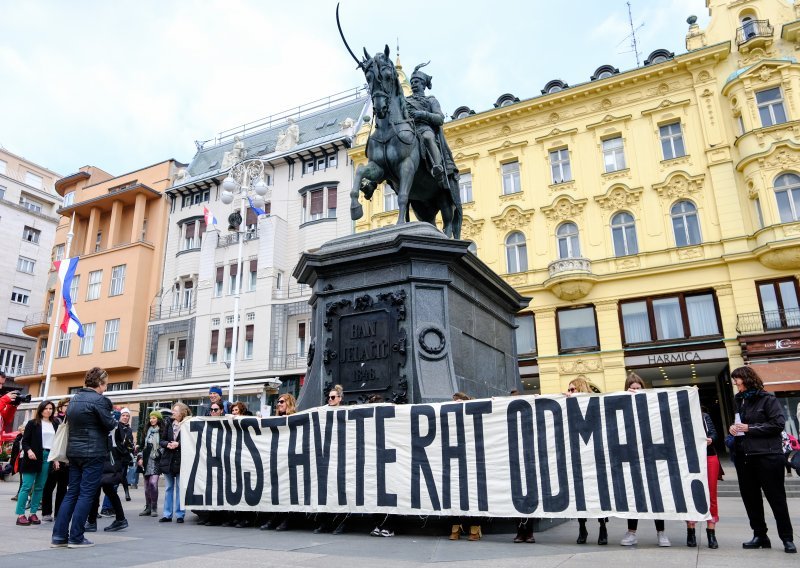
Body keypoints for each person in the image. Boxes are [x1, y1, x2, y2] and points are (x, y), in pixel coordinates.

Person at [729, 366, 796, 554]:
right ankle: (760, 535)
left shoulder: (768, 399)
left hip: (768, 457)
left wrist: (750, 428)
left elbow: (777, 424)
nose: (735, 383)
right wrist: (734, 428)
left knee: (777, 500)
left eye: (737, 379)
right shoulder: (738, 400)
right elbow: (739, 423)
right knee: (751, 500)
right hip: (744, 457)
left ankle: (787, 538)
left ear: (747, 379)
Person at [51, 367, 117, 548]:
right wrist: (114, 417)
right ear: (101, 383)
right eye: (106, 384)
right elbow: (110, 424)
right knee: (86, 494)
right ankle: (76, 537)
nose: (106, 387)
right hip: (93, 452)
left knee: (72, 492)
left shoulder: (75, 400)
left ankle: (58, 536)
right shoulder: (100, 400)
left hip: (74, 452)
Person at [618, 372, 671, 547]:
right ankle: (631, 532)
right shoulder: (621, 406)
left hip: (651, 457)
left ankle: (661, 533)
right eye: (631, 389)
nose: (635, 392)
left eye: (638, 389)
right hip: (631, 457)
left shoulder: (652, 404)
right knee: (633, 495)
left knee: (656, 496)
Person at [566, 377, 608, 546]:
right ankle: (582, 527)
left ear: (580, 389)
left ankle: (602, 526)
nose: (569, 393)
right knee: (580, 494)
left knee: (598, 493)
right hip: (577, 457)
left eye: (572, 390)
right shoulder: (567, 405)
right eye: (568, 390)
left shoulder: (594, 403)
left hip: (594, 456)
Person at [406, 62, 457, 187]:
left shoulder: (431, 100)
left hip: (424, 128)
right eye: (412, 82)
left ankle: (437, 167)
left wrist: (423, 114)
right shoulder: (405, 101)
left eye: (416, 82)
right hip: (409, 129)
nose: (413, 85)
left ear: (423, 85)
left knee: (428, 137)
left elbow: (439, 118)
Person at [15, 400, 58, 526]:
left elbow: (56, 443)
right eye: (46, 408)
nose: (48, 410)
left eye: (51, 408)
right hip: (33, 457)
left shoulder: (55, 423)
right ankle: (21, 514)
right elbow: (25, 441)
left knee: (40, 487)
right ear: (41, 409)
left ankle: (33, 513)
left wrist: (55, 459)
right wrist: (28, 451)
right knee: (27, 486)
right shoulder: (32, 423)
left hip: (48, 456)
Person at [310, 387, 345, 535]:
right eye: (329, 398)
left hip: (340, 456)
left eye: (333, 398)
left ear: (339, 398)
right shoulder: (323, 411)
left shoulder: (345, 413)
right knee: (325, 489)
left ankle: (340, 522)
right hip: (325, 455)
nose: (330, 400)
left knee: (339, 490)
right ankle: (325, 522)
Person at [84, 421, 130, 533]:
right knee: (108, 489)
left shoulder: (106, 422)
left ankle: (91, 521)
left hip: (104, 458)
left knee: (97, 489)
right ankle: (120, 518)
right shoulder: (115, 423)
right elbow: (121, 443)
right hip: (110, 459)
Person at [686, 408, 720, 548]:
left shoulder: (704, 416)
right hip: (689, 459)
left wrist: (710, 439)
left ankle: (711, 533)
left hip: (708, 456)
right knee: (690, 494)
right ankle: (691, 532)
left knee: (711, 494)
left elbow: (714, 434)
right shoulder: (679, 419)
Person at [159, 402, 191, 524]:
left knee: (179, 488)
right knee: (168, 488)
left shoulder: (187, 424)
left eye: (175, 411)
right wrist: (167, 444)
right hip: (168, 459)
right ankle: (167, 514)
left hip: (181, 460)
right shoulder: (168, 423)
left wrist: (179, 444)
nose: (173, 412)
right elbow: (162, 440)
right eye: (173, 410)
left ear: (182, 412)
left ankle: (180, 514)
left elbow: (191, 442)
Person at [41, 397, 70, 522]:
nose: (68, 408)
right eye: (66, 405)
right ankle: (46, 512)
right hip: (55, 457)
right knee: (49, 485)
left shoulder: (71, 420)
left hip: (66, 458)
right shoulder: (55, 421)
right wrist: (55, 459)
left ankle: (59, 513)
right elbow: (54, 441)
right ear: (61, 407)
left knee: (63, 488)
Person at [138, 411, 163, 517]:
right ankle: (148, 507)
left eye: (154, 418)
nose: (152, 420)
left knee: (153, 483)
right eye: (150, 418)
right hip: (146, 458)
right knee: (147, 485)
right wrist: (140, 457)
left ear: (158, 419)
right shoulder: (146, 431)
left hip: (156, 459)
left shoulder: (162, 431)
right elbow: (141, 445)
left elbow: (164, 445)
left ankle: (154, 507)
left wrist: (159, 453)